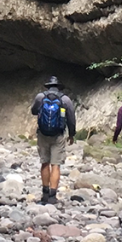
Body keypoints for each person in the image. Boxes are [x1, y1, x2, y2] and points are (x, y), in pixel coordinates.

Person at [30, 76, 76, 204]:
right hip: (58, 135)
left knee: (45, 162)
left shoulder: (40, 97)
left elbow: (34, 111)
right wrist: (71, 134)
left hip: (43, 134)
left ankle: (44, 194)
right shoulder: (65, 99)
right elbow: (71, 118)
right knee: (56, 164)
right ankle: (52, 196)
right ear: (59, 87)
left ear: (48, 86)